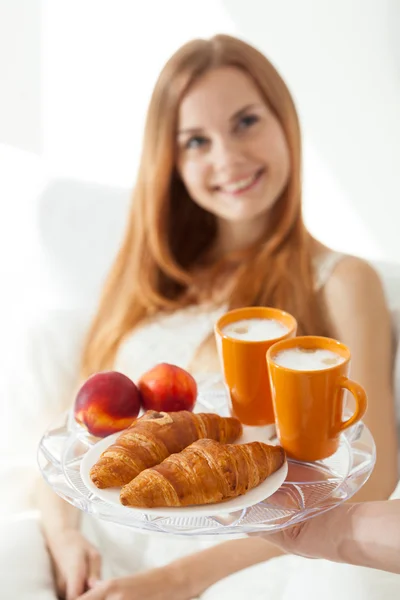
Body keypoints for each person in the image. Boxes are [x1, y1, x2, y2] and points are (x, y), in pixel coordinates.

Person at [2, 33, 399, 600]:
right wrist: (66, 542)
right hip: (90, 553)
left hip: (230, 570)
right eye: (195, 141)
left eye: (245, 122)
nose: (227, 158)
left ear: (285, 121)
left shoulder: (340, 279)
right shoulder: (153, 280)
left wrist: (175, 582)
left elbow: (374, 478)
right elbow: (70, 435)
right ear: (172, 161)